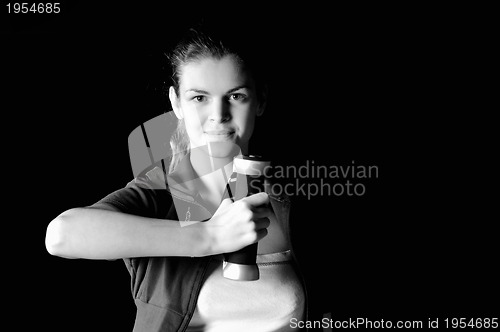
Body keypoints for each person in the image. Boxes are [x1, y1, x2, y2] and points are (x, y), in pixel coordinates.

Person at [45, 22, 308, 331]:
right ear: (176, 103)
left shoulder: (292, 196)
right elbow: (61, 235)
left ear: (260, 100)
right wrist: (208, 237)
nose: (218, 113)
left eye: (236, 96)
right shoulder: (159, 192)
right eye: (199, 97)